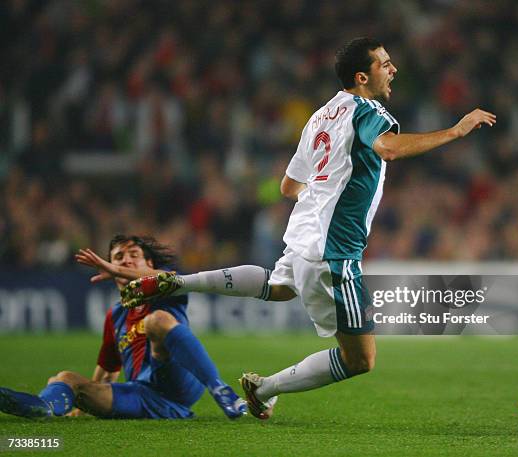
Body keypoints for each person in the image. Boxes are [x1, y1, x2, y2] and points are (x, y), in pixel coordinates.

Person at [121, 37, 496, 419]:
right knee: (361, 359)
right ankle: (264, 388)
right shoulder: (369, 111)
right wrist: (455, 131)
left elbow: (288, 187)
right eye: (385, 63)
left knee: (279, 287)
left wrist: (326, 191)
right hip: (335, 249)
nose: (393, 69)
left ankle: (180, 281)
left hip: (303, 233)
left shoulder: (320, 116)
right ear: (362, 76)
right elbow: (388, 148)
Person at [0, 235, 246, 420]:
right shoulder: (115, 315)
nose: (126, 260)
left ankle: (220, 389)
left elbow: (167, 278)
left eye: (133, 255)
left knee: (156, 321)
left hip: (179, 382)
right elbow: (107, 372)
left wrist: (118, 268)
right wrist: (79, 400)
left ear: (148, 263)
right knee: (65, 378)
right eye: (118, 257)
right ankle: (42, 406)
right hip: (143, 394)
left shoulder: (166, 288)